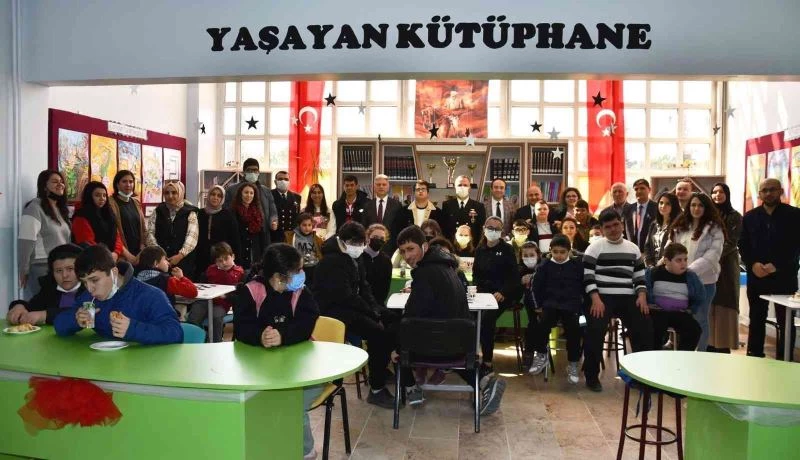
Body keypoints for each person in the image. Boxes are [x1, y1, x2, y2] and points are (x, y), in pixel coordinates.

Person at [395, 226, 506, 415]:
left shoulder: (425, 273)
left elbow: (413, 315)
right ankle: (485, 381)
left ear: (424, 246)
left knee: (391, 333)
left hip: (433, 348)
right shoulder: (447, 268)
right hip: (459, 346)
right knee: (441, 342)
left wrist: (397, 347)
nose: (407, 256)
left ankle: (411, 388)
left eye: (411, 249)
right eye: (403, 251)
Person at [228, 243, 321, 459]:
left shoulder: (301, 291)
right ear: (278, 277)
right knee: (255, 404)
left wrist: (284, 335)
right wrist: (259, 336)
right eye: (297, 270)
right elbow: (241, 328)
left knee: (292, 405)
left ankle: (306, 451)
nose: (302, 274)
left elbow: (307, 323)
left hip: (302, 369)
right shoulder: (251, 291)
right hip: (260, 371)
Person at [312, 222, 397, 408]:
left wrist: (376, 309)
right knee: (378, 333)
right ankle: (377, 389)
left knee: (392, 320)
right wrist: (372, 313)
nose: (359, 247)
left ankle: (380, 367)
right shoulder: (331, 262)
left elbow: (364, 287)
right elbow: (346, 296)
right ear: (343, 241)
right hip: (333, 313)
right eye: (354, 243)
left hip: (351, 306)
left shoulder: (354, 258)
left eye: (361, 243)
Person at [54, 245, 184, 345]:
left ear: (114, 273)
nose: (89, 288)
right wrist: (75, 319)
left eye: (94, 280)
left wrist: (132, 329)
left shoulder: (150, 296)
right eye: (84, 282)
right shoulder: (89, 298)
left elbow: (176, 333)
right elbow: (59, 326)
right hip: (103, 366)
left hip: (145, 366)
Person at [583, 209, 653, 392]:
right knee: (595, 330)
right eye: (608, 227)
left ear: (621, 224)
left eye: (616, 225)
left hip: (628, 296)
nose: (613, 229)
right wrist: (595, 298)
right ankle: (591, 377)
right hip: (601, 297)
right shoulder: (595, 247)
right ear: (602, 229)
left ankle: (641, 377)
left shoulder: (633, 248)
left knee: (644, 328)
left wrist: (642, 296)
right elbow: (588, 277)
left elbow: (639, 277)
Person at [740, 178, 800, 359]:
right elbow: (743, 244)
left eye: (772, 189)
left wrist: (777, 265)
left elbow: (795, 246)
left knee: (785, 320)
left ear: (780, 191)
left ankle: (784, 358)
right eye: (764, 190)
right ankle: (755, 355)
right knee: (756, 318)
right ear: (759, 194)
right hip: (757, 275)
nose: (768, 193)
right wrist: (752, 264)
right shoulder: (750, 217)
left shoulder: (794, 215)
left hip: (784, 276)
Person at [668, 193, 725, 352]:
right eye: (693, 205)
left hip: (704, 282)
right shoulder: (681, 226)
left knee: (700, 319)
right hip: (681, 281)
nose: (696, 208)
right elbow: (671, 249)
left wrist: (689, 271)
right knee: (684, 320)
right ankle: (685, 352)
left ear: (706, 208)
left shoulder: (714, 228)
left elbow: (712, 255)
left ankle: (700, 354)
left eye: (700, 205)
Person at [527, 235, 584, 384]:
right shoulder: (544, 266)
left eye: (562, 252)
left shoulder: (576, 266)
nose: (559, 255)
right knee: (541, 324)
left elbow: (581, 288)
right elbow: (534, 288)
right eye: (555, 252)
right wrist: (537, 306)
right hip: (550, 305)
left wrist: (580, 307)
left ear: (569, 251)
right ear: (550, 251)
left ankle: (572, 363)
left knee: (574, 330)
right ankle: (541, 355)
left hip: (570, 306)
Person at [472, 216, 521, 373]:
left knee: (487, 319)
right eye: (490, 228)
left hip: (503, 294)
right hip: (484, 294)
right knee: (470, 316)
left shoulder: (507, 250)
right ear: (484, 229)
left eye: (496, 229)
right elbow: (476, 275)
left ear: (501, 232)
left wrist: (503, 292)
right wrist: (477, 290)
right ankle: (469, 357)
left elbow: (514, 277)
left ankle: (487, 362)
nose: (493, 231)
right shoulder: (479, 250)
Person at [19, 170, 72, 300]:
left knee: (66, 305)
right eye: (54, 182)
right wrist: (23, 269)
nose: (60, 184)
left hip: (62, 268)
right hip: (42, 268)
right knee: (47, 307)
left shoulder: (60, 209)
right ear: (44, 186)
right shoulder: (34, 207)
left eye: (61, 182)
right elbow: (26, 241)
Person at [645, 243, 705, 351]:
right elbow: (645, 290)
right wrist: (649, 305)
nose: (683, 263)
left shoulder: (690, 276)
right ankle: (655, 355)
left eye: (685, 259)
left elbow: (700, 295)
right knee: (655, 329)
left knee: (694, 330)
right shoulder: (654, 273)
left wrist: (691, 309)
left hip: (680, 312)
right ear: (666, 261)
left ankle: (683, 356)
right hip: (658, 312)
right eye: (678, 260)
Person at [7, 244, 83, 326]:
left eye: (70, 269)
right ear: (52, 273)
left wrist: (45, 315)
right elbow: (32, 307)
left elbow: (82, 312)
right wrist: (19, 306)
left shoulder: (90, 288)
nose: (64, 275)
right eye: (59, 270)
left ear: (82, 269)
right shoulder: (50, 288)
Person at [709, 183, 743, 353]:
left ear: (727, 194)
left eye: (721, 192)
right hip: (707, 267)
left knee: (725, 302)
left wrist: (710, 256)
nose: (717, 195)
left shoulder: (735, 216)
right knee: (709, 303)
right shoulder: (706, 215)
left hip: (726, 267)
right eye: (714, 192)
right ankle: (708, 345)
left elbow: (731, 242)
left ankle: (723, 347)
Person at [194, 242, 245, 343]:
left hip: (224, 303)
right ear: (215, 262)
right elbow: (203, 285)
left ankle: (216, 342)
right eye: (220, 261)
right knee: (194, 314)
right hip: (206, 300)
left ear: (233, 257)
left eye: (226, 259)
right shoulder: (210, 270)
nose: (224, 263)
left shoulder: (239, 272)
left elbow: (240, 296)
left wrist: (225, 296)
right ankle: (198, 339)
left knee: (216, 316)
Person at [145, 181, 199, 275]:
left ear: (180, 193)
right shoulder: (158, 211)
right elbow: (150, 233)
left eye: (174, 193)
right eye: (167, 193)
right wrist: (159, 254)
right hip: (160, 262)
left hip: (183, 262)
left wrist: (180, 255)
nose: (170, 196)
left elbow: (192, 236)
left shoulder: (190, 212)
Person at [223, 158, 278, 246]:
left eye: (255, 170)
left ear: (258, 172)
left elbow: (273, 211)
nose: (252, 173)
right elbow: (226, 210)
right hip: (240, 234)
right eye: (249, 170)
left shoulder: (266, 191)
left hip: (262, 234)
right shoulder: (232, 190)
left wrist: (273, 222)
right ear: (244, 172)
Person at [195, 185, 241, 280]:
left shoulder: (228, 215)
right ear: (208, 195)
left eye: (219, 195)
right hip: (201, 256)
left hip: (221, 258)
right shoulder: (200, 213)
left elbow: (235, 239)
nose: (215, 197)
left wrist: (236, 261)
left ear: (222, 198)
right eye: (213, 194)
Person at [71, 181, 125, 260]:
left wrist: (116, 253)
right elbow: (87, 243)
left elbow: (117, 237)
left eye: (104, 195)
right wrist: (107, 256)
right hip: (92, 259)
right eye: (97, 195)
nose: (102, 198)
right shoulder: (81, 216)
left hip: (111, 257)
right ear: (89, 196)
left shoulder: (108, 213)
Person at [108, 170, 146, 265]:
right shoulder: (110, 203)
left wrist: (142, 246)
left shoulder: (136, 202)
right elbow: (113, 233)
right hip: (122, 254)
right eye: (124, 181)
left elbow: (143, 228)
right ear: (117, 184)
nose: (128, 185)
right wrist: (128, 255)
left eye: (131, 181)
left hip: (139, 253)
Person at [362, 174, 404, 255]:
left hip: (391, 248)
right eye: (378, 184)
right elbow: (364, 227)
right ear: (374, 187)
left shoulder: (397, 205)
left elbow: (400, 228)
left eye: (384, 184)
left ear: (388, 187)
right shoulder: (367, 205)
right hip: (370, 248)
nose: (381, 187)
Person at [441, 175, 486, 245]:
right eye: (459, 185)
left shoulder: (479, 206)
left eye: (465, 185)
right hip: (452, 246)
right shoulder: (447, 205)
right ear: (455, 187)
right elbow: (444, 228)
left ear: (469, 188)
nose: (462, 187)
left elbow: (481, 230)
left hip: (472, 246)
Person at [231, 182, 266, 271]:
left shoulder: (258, 211)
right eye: (246, 192)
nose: (249, 195)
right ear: (240, 194)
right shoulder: (233, 211)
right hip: (239, 251)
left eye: (251, 193)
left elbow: (262, 235)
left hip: (254, 251)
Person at [285, 213, 324, 287]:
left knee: (313, 287)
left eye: (309, 225)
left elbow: (322, 249)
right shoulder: (292, 237)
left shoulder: (315, 237)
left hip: (314, 267)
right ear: (299, 225)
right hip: (300, 268)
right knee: (300, 287)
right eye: (304, 225)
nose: (307, 228)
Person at [644, 192, 681, 268]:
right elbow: (647, 246)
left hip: (668, 267)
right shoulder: (654, 224)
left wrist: (659, 264)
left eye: (668, 204)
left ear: (674, 206)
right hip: (652, 267)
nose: (663, 206)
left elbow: (673, 249)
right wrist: (650, 264)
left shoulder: (677, 225)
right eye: (661, 203)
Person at [518, 241, 542, 360]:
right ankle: (529, 351)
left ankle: (539, 351)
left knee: (538, 324)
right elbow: (514, 289)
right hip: (529, 305)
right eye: (525, 256)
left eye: (532, 255)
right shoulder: (519, 271)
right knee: (533, 323)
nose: (529, 258)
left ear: (538, 255)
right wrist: (521, 282)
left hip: (545, 303)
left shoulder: (543, 268)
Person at [621, 179, 657, 252]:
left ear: (649, 190)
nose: (639, 191)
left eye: (642, 188)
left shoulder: (656, 208)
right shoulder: (627, 209)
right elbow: (623, 232)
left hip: (650, 252)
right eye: (636, 189)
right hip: (631, 251)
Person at [362, 224, 392, 303]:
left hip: (378, 304)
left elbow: (385, 287)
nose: (378, 240)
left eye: (382, 238)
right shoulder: (358, 256)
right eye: (375, 237)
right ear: (367, 238)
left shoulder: (386, 260)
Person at [271, 170, 302, 243]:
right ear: (275, 182)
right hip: (274, 236)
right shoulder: (269, 195)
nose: (283, 181)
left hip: (290, 237)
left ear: (289, 182)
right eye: (280, 179)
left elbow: (297, 218)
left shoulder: (296, 197)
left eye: (286, 179)